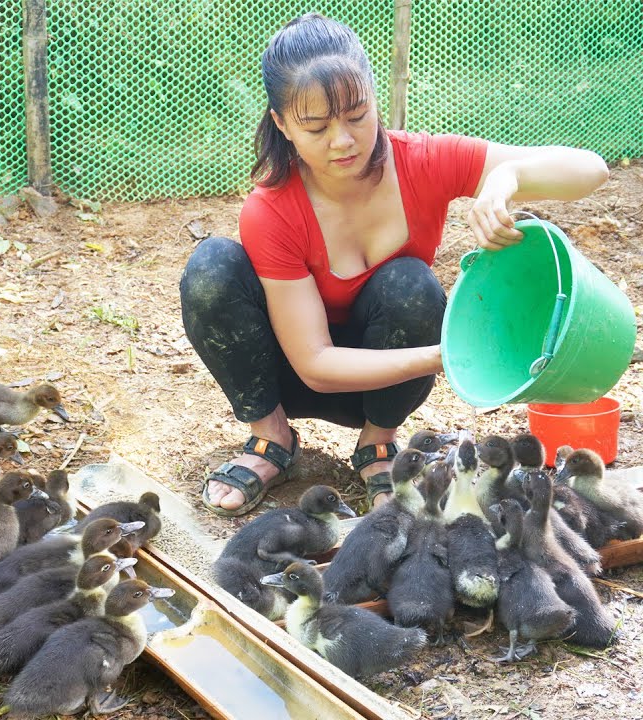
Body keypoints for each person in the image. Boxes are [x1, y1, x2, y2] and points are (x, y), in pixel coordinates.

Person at [179, 14, 608, 516]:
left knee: (412, 284)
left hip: (386, 378)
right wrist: (447, 356)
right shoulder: (271, 208)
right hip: (290, 373)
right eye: (316, 127)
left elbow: (591, 170)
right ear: (283, 124)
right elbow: (314, 363)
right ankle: (271, 437)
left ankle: (378, 442)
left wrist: (506, 177)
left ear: (375, 98)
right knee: (212, 267)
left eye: (357, 115)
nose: (343, 140)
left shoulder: (421, 161)